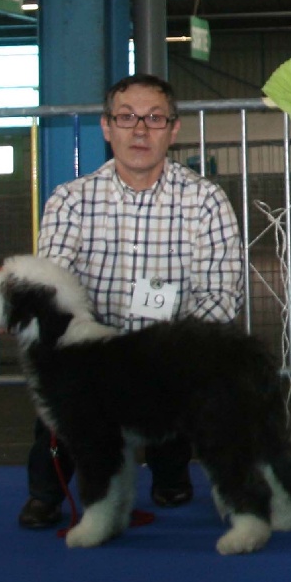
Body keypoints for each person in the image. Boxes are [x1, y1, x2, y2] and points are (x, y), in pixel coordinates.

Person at [18, 73, 244, 528]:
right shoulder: (70, 200)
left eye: (154, 118)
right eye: (126, 117)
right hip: (93, 353)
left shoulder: (206, 200)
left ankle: (171, 472)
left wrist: (168, 344)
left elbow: (222, 294)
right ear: (107, 127)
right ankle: (47, 491)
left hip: (167, 349)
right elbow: (53, 286)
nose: (140, 130)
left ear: (173, 130)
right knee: (64, 394)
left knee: (189, 375)